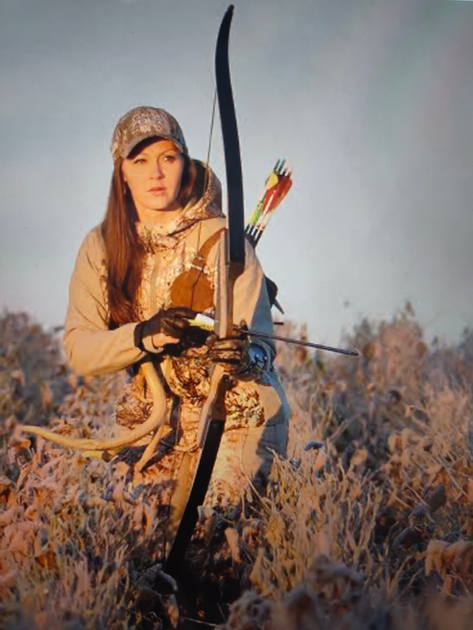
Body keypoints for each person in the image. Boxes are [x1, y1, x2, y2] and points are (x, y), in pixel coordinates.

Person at [63, 105, 290, 526]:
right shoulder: (100, 246)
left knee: (214, 541)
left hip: (236, 414)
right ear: (122, 172)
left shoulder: (226, 239)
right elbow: (80, 349)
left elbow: (261, 348)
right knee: (142, 545)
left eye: (168, 157)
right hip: (156, 423)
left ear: (185, 163)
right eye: (140, 160)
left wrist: (240, 356)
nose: (156, 173)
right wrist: (144, 335)